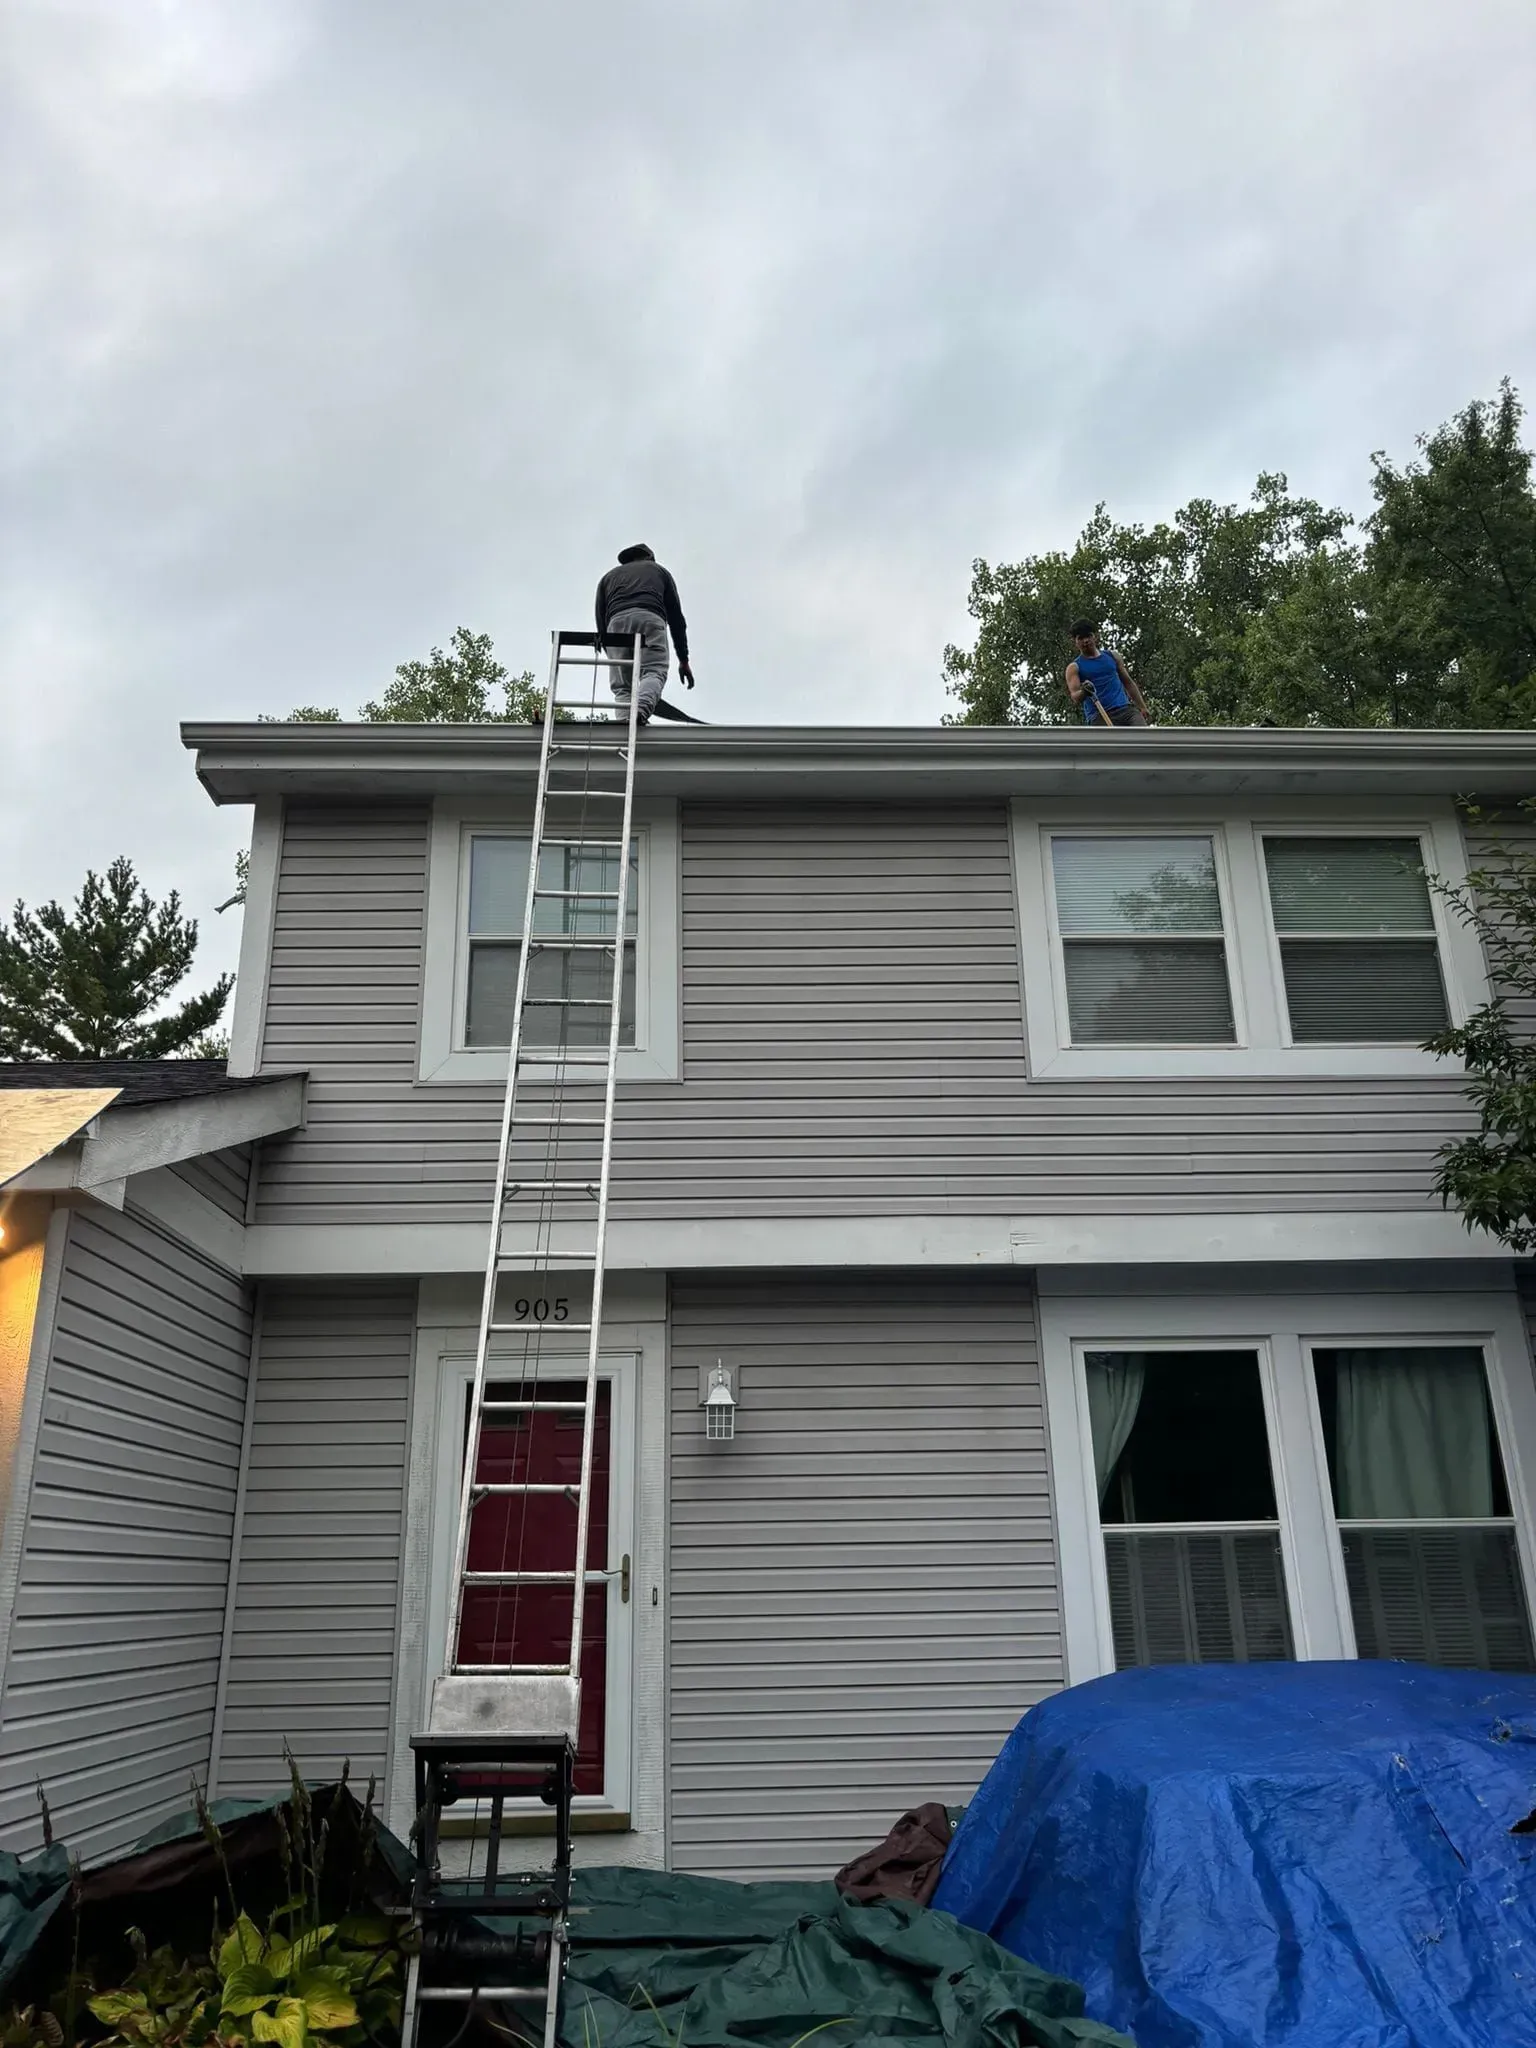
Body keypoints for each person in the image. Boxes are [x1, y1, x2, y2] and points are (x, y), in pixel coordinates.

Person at [594, 544, 695, 726]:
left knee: (622, 686)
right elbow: (676, 619)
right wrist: (684, 660)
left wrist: (611, 650)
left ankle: (625, 722)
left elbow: (600, 615)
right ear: (649, 557)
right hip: (649, 618)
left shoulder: (608, 577)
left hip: (615, 624)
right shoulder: (659, 571)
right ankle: (639, 712)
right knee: (654, 671)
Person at [1065, 621, 1151, 726]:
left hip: (1125, 710)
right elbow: (1075, 696)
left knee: (1142, 733)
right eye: (1081, 638)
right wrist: (1084, 691)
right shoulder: (1074, 667)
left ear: (1095, 636)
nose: (1086, 641)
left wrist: (1142, 707)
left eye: (1088, 636)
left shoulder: (1113, 656)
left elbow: (1128, 683)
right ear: (1074, 641)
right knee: (1106, 737)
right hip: (1099, 715)